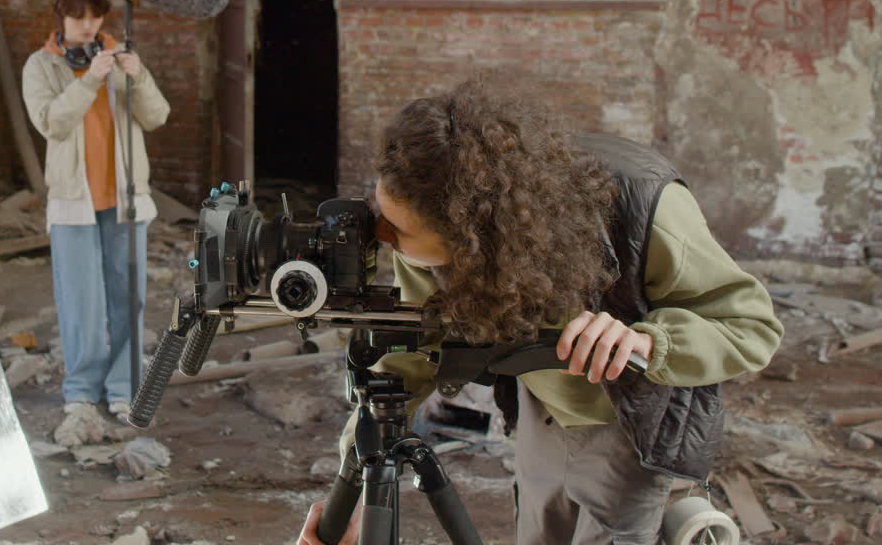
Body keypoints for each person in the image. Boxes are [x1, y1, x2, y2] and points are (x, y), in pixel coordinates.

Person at [298, 80, 783, 545]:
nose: (381, 235)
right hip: (542, 410)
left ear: (472, 234)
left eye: (398, 231)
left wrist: (648, 340)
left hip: (632, 420)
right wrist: (351, 491)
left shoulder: (642, 201)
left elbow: (750, 326)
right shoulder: (427, 227)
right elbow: (408, 360)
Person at [21, 0, 170, 433]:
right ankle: (82, 391)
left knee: (129, 298)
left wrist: (138, 76)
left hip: (126, 199)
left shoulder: (121, 59)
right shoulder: (40, 66)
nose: (87, 26)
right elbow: (52, 123)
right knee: (80, 302)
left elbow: (157, 117)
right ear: (60, 17)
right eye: (77, 17)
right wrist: (89, 81)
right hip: (73, 201)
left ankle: (125, 388)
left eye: (94, 17)